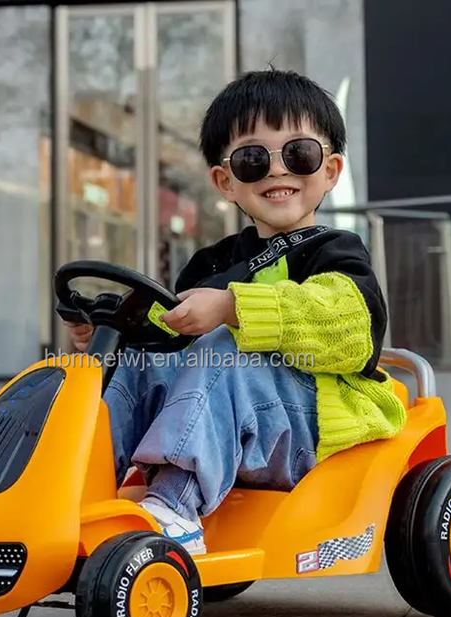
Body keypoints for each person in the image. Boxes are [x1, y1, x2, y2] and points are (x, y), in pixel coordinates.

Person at [64, 69, 407, 555]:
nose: (277, 171)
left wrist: (232, 308)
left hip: (316, 427)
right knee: (137, 365)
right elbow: (172, 333)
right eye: (252, 159)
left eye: (299, 154)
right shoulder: (212, 263)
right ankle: (74, 487)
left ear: (330, 171)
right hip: (233, 422)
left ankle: (175, 507)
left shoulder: (335, 251)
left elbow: (351, 329)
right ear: (225, 181)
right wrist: (113, 330)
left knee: (222, 348)